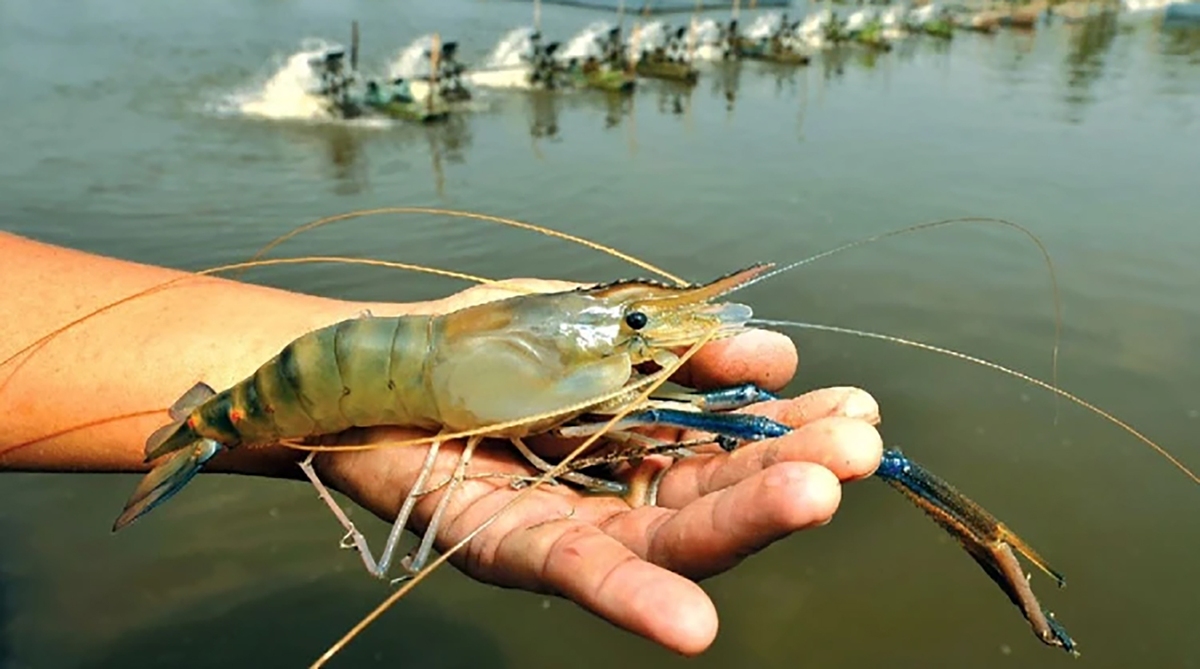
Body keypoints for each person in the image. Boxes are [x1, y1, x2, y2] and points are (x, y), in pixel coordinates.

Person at [0, 231, 882, 655]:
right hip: (310, 385)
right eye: (634, 322)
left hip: (356, 372)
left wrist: (630, 331)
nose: (642, 335)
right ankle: (203, 430)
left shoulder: (577, 346)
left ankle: (204, 426)